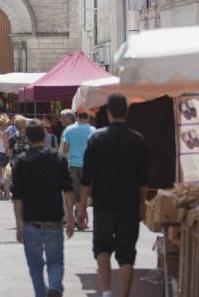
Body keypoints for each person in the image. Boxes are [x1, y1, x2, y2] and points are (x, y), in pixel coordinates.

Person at [77, 94, 149, 297]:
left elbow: (86, 179)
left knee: (101, 246)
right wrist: (142, 207)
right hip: (129, 203)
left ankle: (107, 291)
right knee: (127, 253)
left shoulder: (97, 138)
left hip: (103, 203)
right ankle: (123, 294)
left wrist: (82, 208)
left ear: (108, 113)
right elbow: (143, 181)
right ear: (126, 112)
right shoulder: (137, 140)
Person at [12, 120, 75, 297]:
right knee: (55, 261)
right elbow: (68, 191)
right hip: (54, 219)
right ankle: (54, 286)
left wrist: (19, 225)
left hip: (31, 221)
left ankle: (41, 294)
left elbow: (17, 197)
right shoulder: (58, 159)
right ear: (45, 135)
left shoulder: (21, 161)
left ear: (28, 137)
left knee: (35, 265)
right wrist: (71, 218)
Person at [61, 111, 96, 226]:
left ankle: (78, 211)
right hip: (88, 166)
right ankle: (82, 210)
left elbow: (65, 149)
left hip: (73, 165)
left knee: (76, 194)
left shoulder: (69, 130)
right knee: (89, 193)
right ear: (89, 117)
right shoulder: (93, 131)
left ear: (77, 117)